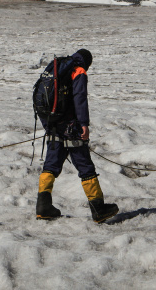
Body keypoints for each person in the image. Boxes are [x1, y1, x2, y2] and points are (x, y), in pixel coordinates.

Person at [36, 49, 119, 223]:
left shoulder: (56, 68)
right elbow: (79, 98)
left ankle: (43, 206)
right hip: (70, 126)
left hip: (54, 124)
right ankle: (98, 209)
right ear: (87, 62)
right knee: (85, 166)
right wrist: (83, 124)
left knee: (51, 165)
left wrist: (49, 125)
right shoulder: (78, 70)